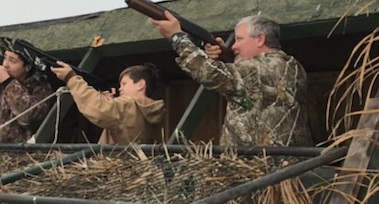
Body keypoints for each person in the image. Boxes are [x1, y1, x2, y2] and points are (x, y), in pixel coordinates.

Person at [151, 11, 311, 147]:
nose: (234, 46)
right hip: (290, 166)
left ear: (260, 39)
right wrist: (225, 58)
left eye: (239, 39)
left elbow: (209, 73)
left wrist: (177, 38)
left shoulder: (255, 69)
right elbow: (255, 89)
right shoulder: (293, 66)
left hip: (258, 168)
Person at [49, 61, 166, 145]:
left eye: (124, 84)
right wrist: (109, 101)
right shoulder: (150, 111)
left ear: (140, 84)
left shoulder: (129, 105)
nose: (120, 89)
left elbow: (98, 109)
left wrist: (71, 78)